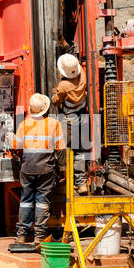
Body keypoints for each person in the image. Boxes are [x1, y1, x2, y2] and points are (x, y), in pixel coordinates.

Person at [11, 93, 66, 244]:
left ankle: (21, 235)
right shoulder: (54, 124)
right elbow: (60, 149)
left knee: (26, 200)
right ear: (46, 108)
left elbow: (16, 148)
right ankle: (39, 236)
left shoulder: (23, 125)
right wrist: (62, 169)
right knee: (42, 201)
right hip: (46, 169)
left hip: (27, 168)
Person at [51, 53, 88, 195]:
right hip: (82, 118)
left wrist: (55, 93)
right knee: (79, 152)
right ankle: (82, 183)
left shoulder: (63, 85)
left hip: (69, 121)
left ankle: (68, 182)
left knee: (65, 151)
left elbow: (56, 101)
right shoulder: (82, 76)